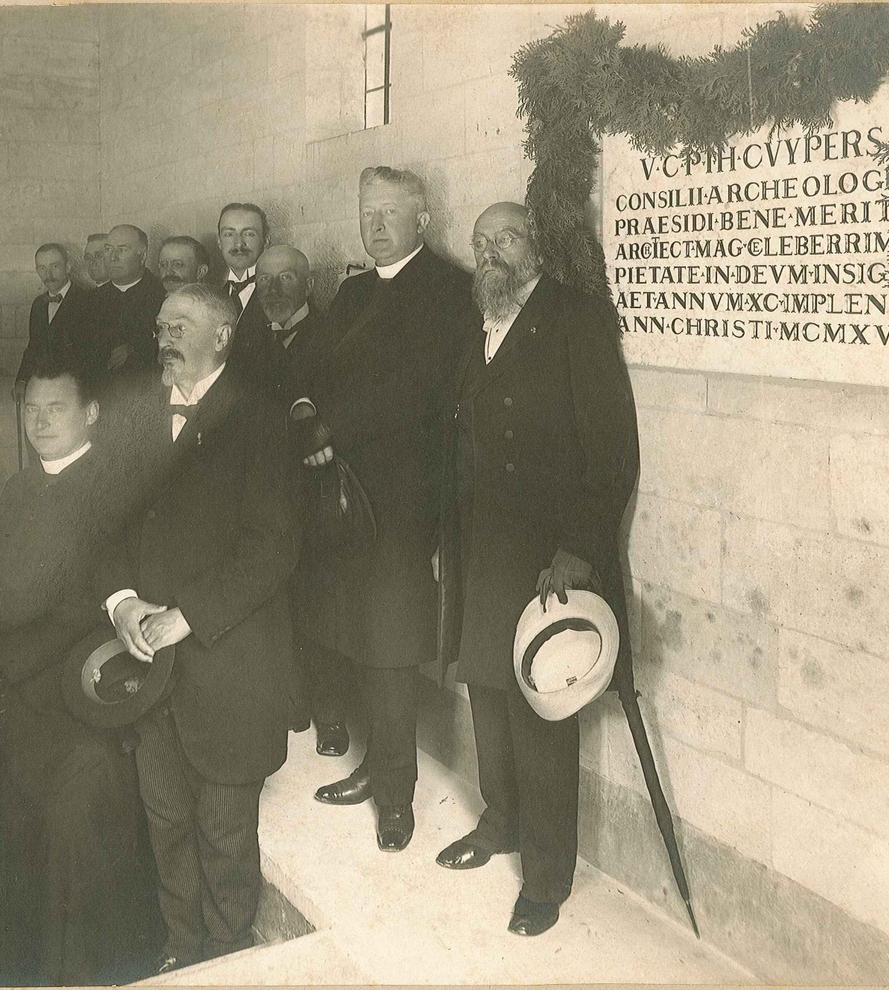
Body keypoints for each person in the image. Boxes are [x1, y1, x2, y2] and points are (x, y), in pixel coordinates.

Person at [434, 202, 639, 936]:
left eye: (506, 238)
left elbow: (614, 448)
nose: (491, 252)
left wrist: (578, 549)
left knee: (541, 712)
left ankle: (547, 878)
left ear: (535, 246)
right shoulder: (477, 322)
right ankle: (502, 824)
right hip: (482, 549)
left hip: (546, 559)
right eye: (480, 241)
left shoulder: (574, 317)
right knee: (487, 694)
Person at [100, 283, 298, 974]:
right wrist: (123, 602)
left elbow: (274, 547)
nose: (166, 335)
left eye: (182, 324)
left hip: (229, 664)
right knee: (166, 821)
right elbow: (109, 526)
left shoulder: (263, 420)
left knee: (223, 831)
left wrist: (187, 615)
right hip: (150, 665)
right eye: (161, 324)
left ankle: (228, 955)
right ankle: (181, 951)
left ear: (223, 336)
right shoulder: (135, 418)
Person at [0, 354, 160, 985]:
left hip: (80, 705)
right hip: (19, 712)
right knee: (25, 858)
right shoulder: (19, 487)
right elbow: (5, 575)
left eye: (57, 407)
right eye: (32, 408)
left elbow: (93, 604)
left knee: (77, 857)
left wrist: (8, 653)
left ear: (91, 414)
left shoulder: (112, 486)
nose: (41, 420)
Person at [292, 166, 472, 852]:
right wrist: (306, 412)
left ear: (422, 220)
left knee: (392, 645)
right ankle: (374, 765)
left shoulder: (449, 290)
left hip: (402, 502)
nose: (376, 225)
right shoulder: (354, 289)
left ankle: (396, 800)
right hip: (340, 496)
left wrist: (327, 429)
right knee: (355, 631)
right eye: (368, 212)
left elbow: (418, 390)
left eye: (391, 213)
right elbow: (313, 367)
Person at [256, 244, 350, 756]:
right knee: (273, 598)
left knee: (319, 605)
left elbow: (343, 396)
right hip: (264, 494)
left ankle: (332, 717)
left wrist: (310, 410)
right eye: (267, 279)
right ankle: (291, 703)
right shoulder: (251, 336)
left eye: (286, 278)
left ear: (307, 285)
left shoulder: (332, 331)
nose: (273, 288)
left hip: (314, 493)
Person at [13, 242, 100, 398]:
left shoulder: (88, 301)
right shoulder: (38, 304)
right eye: (42, 268)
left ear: (67, 267)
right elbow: (34, 347)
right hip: (45, 391)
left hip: (76, 391)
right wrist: (22, 380)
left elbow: (91, 356)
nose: (48, 274)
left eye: (54, 266)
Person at [217, 202, 282, 387]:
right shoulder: (212, 298)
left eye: (249, 234)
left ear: (266, 241)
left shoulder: (285, 293)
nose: (239, 243)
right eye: (229, 234)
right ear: (219, 241)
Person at [95, 223, 164, 376]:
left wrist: (136, 349)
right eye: (108, 249)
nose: (113, 257)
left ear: (143, 256)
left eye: (122, 249)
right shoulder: (91, 299)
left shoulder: (161, 295)